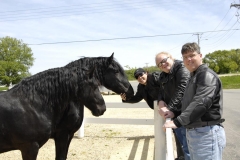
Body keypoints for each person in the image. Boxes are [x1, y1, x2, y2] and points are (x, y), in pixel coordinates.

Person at [163, 42, 226, 160]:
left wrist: (177, 122)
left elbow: (201, 102)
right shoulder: (194, 76)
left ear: (200, 55)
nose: (189, 59)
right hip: (196, 132)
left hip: (206, 133)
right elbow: (188, 102)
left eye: (192, 55)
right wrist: (173, 112)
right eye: (185, 57)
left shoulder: (206, 75)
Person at [155, 52, 191, 160]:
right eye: (159, 64)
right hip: (175, 114)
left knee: (189, 147)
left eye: (164, 60)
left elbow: (182, 89)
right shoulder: (163, 75)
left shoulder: (182, 68)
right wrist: (160, 102)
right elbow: (160, 91)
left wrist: (169, 109)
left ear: (171, 57)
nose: (162, 65)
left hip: (186, 114)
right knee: (182, 145)